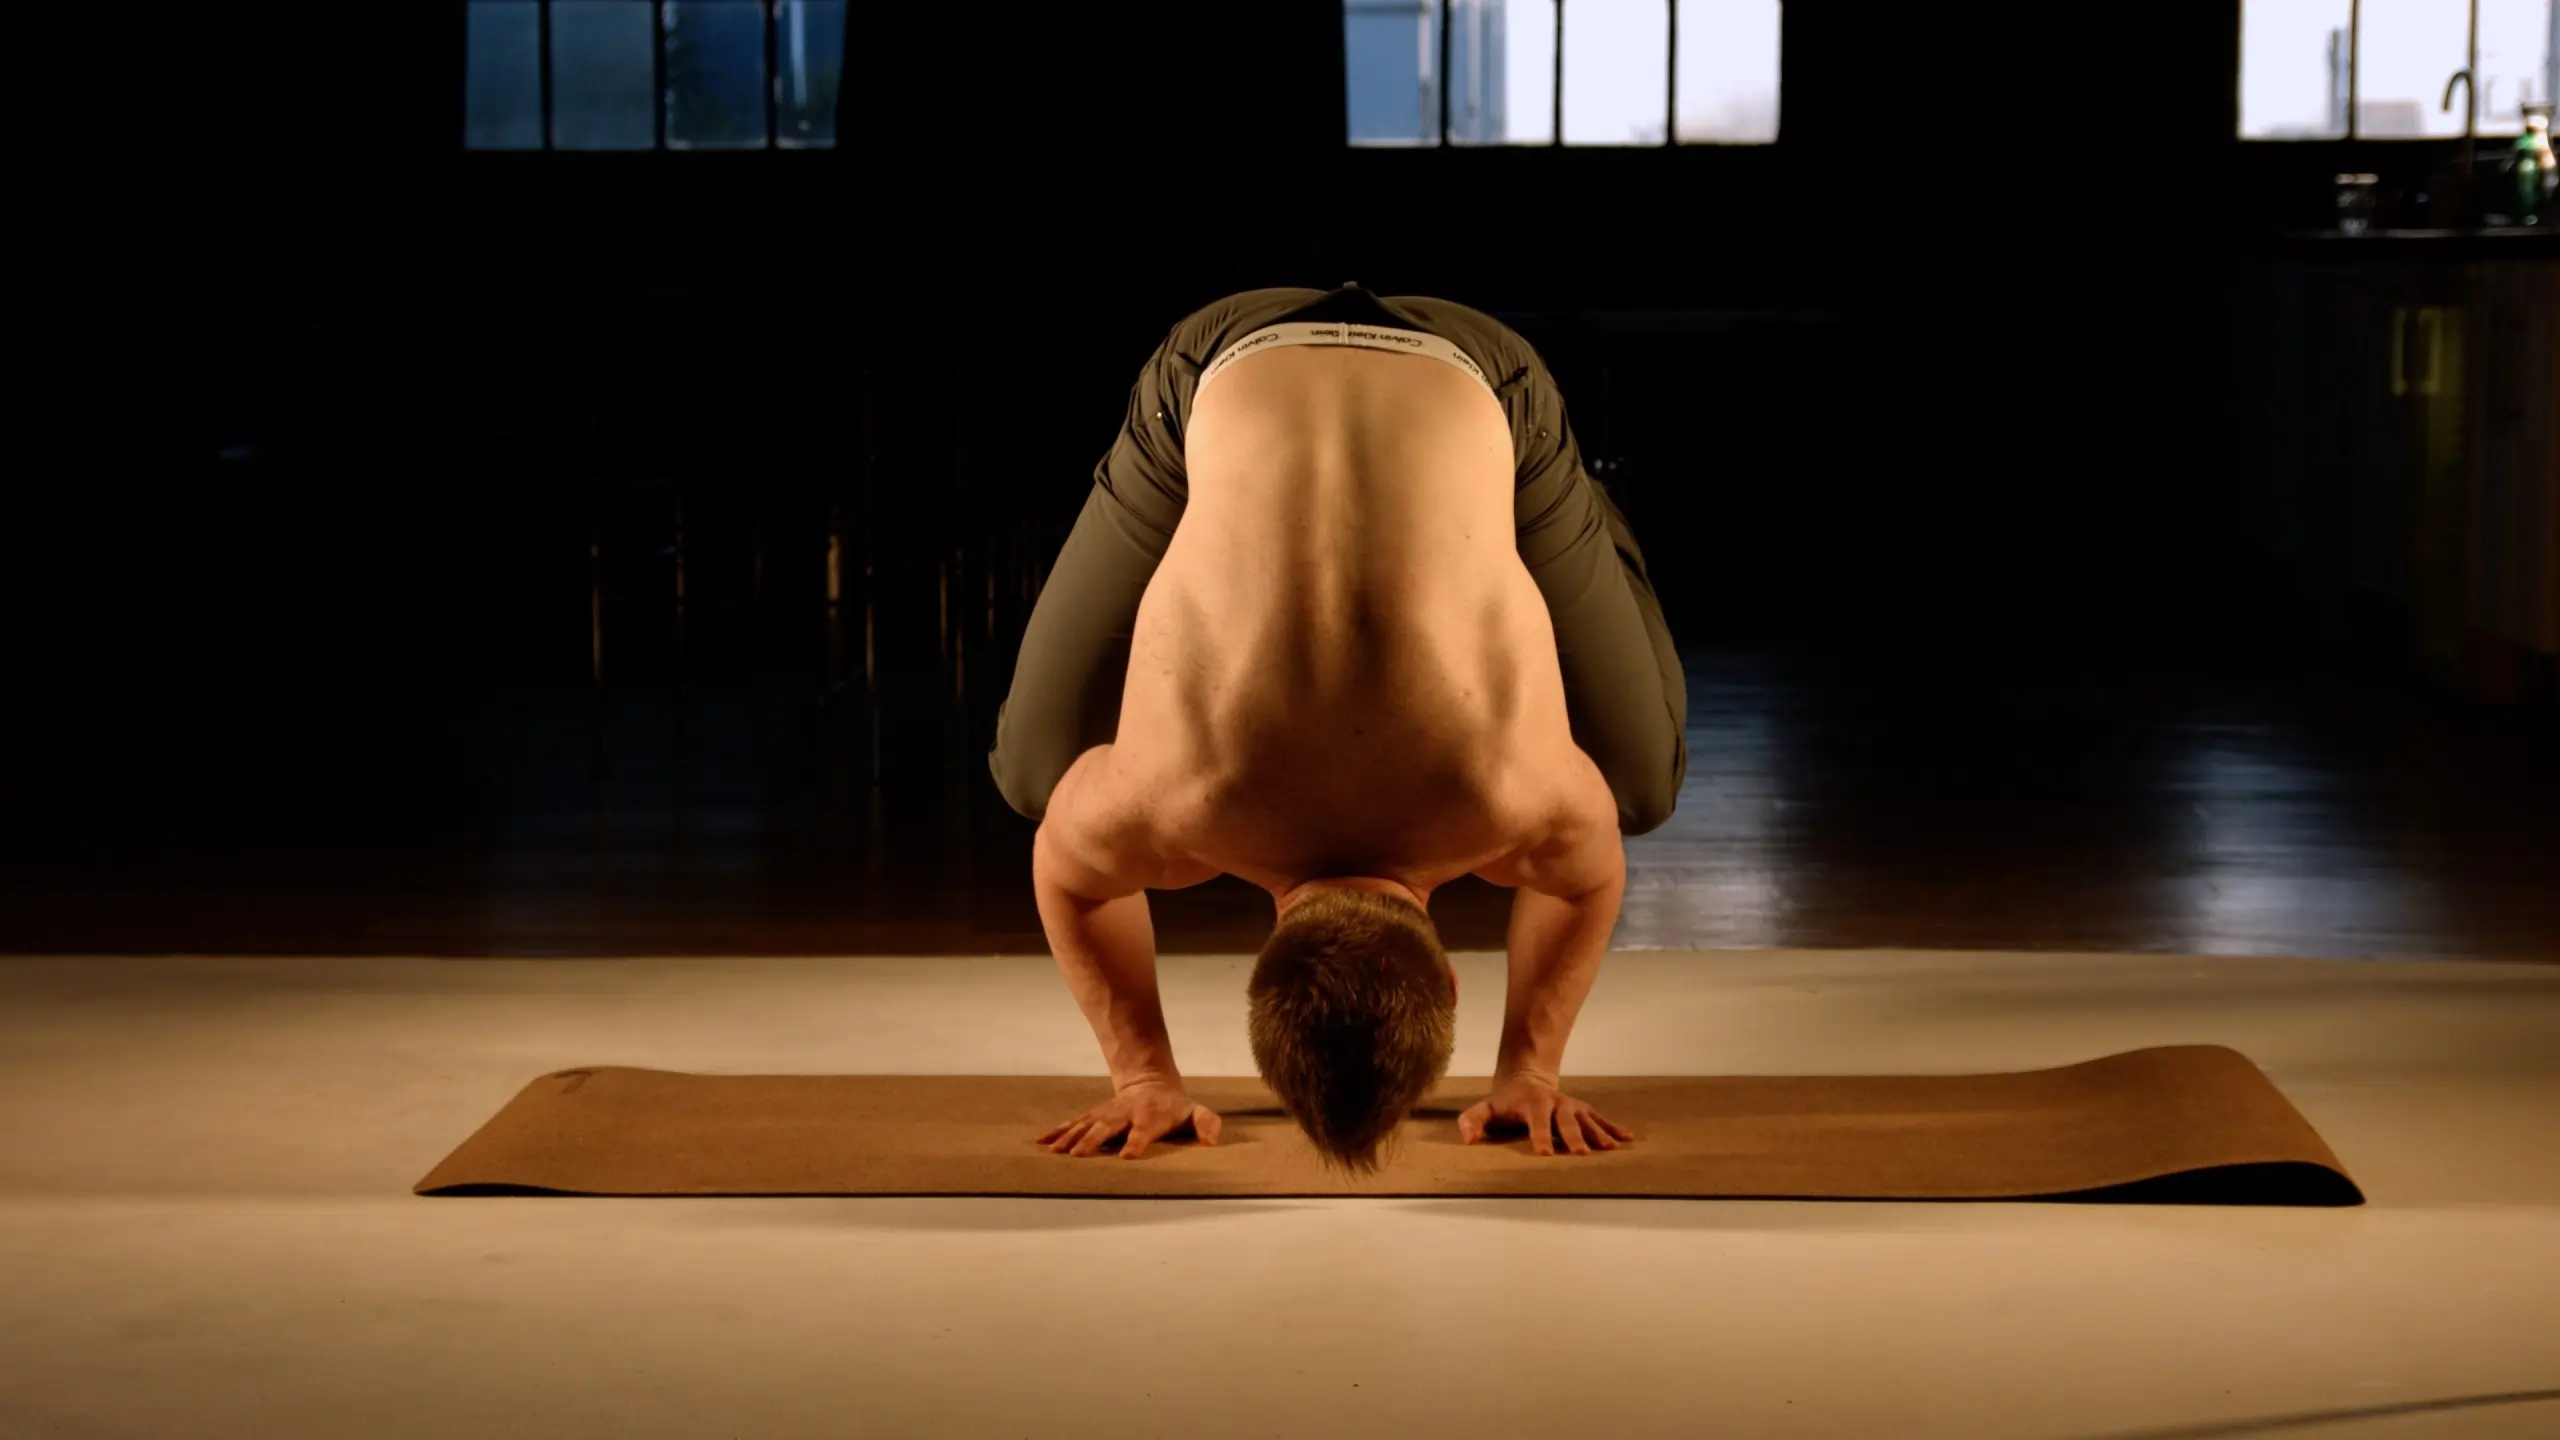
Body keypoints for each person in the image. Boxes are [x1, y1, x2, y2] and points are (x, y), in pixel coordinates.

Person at [991, 283, 1687, 1175]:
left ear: (1445, 978)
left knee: (1633, 791)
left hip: (1422, 369)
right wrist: (1143, 1076)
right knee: (1037, 783)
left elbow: (1588, 881)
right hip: (1256, 360)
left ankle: (1569, 509)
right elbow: (1069, 874)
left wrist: (1530, 1069)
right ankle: (1558, 512)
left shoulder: (1520, 804)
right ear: (1259, 969)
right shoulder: (1170, 808)